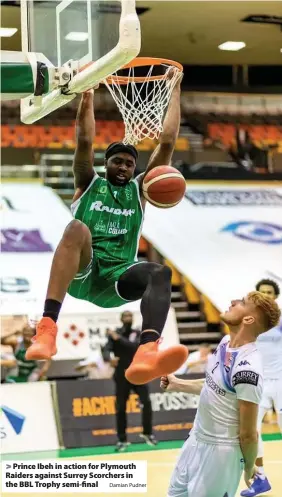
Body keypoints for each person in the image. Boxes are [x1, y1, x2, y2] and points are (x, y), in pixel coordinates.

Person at [25, 71, 188, 385]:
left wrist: (175, 89)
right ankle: (47, 328)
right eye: (118, 161)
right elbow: (84, 140)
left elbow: (167, 140)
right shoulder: (88, 183)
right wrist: (86, 97)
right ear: (106, 163)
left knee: (159, 272)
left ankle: (147, 352)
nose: (124, 166)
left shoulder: (141, 192)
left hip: (118, 279)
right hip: (83, 271)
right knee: (76, 228)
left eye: (129, 163)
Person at [160, 291, 280, 497]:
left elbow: (249, 433)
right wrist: (178, 384)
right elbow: (214, 387)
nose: (233, 301)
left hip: (222, 452)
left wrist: (248, 466)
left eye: (241, 302)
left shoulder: (248, 369)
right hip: (195, 439)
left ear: (248, 319)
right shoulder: (225, 342)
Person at [240, 279, 282, 497]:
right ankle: (261, 479)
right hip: (259, 383)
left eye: (270, 292)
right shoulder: (249, 321)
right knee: (252, 432)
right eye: (262, 292)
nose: (266, 295)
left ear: (275, 296)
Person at [103, 310, 157, 452]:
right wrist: (109, 358)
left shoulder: (137, 333)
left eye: (130, 316)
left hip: (138, 373)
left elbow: (133, 347)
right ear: (121, 319)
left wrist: (117, 338)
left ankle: (147, 433)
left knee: (146, 402)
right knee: (121, 407)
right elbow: (106, 349)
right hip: (122, 375)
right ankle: (122, 439)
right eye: (126, 316)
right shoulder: (114, 334)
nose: (128, 319)